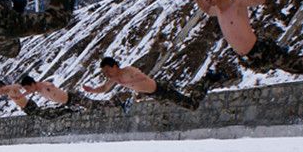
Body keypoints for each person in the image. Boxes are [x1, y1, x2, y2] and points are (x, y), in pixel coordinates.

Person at [82, 57, 222, 111]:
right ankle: (207, 80)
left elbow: (142, 78)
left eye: (107, 70)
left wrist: (133, 89)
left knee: (192, 105)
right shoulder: (114, 79)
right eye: (104, 72)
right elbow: (104, 88)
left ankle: (208, 79)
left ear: (115, 66)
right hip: (155, 95)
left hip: (161, 89)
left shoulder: (128, 71)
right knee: (189, 105)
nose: (107, 74)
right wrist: (91, 90)